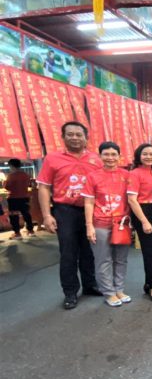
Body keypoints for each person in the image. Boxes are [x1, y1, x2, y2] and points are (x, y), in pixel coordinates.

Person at [37, 121, 102, 310]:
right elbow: (44, 187)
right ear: (63, 137)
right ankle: (70, 292)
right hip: (65, 211)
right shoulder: (52, 158)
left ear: (86, 138)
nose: (75, 138)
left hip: (91, 210)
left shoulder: (96, 159)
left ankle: (90, 285)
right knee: (68, 253)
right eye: (70, 134)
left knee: (90, 251)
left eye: (79, 134)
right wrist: (47, 215)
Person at [82, 142, 131, 308]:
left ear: (119, 156)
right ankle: (109, 292)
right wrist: (89, 225)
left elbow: (132, 200)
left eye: (113, 154)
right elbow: (88, 202)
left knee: (121, 259)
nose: (110, 158)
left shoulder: (127, 175)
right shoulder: (92, 176)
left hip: (122, 224)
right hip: (100, 224)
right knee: (103, 260)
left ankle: (119, 289)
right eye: (106, 154)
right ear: (100, 156)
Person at [127, 143, 152, 303]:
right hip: (143, 212)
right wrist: (144, 221)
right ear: (138, 156)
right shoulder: (135, 174)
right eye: (145, 154)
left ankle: (148, 281)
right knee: (149, 251)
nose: (149, 157)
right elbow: (132, 199)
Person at [4, 158, 35, 239]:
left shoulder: (11, 176)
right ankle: (30, 230)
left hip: (13, 198)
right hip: (25, 197)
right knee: (26, 214)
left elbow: (7, 187)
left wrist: (4, 183)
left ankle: (17, 233)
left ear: (12, 166)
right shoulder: (25, 175)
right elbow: (28, 184)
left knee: (14, 215)